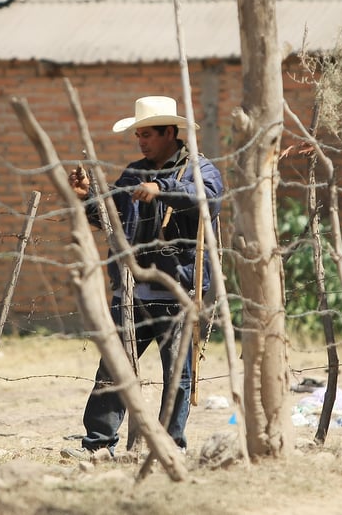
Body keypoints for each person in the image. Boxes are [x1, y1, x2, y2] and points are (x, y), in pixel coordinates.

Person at [64, 95, 223, 458]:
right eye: (139, 135)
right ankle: (98, 445)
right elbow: (112, 219)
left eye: (149, 134)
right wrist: (87, 198)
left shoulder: (200, 170)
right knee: (114, 370)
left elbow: (209, 200)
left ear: (171, 132)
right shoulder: (134, 173)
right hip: (132, 294)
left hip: (178, 292)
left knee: (177, 379)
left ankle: (170, 447)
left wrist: (163, 189)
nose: (142, 142)